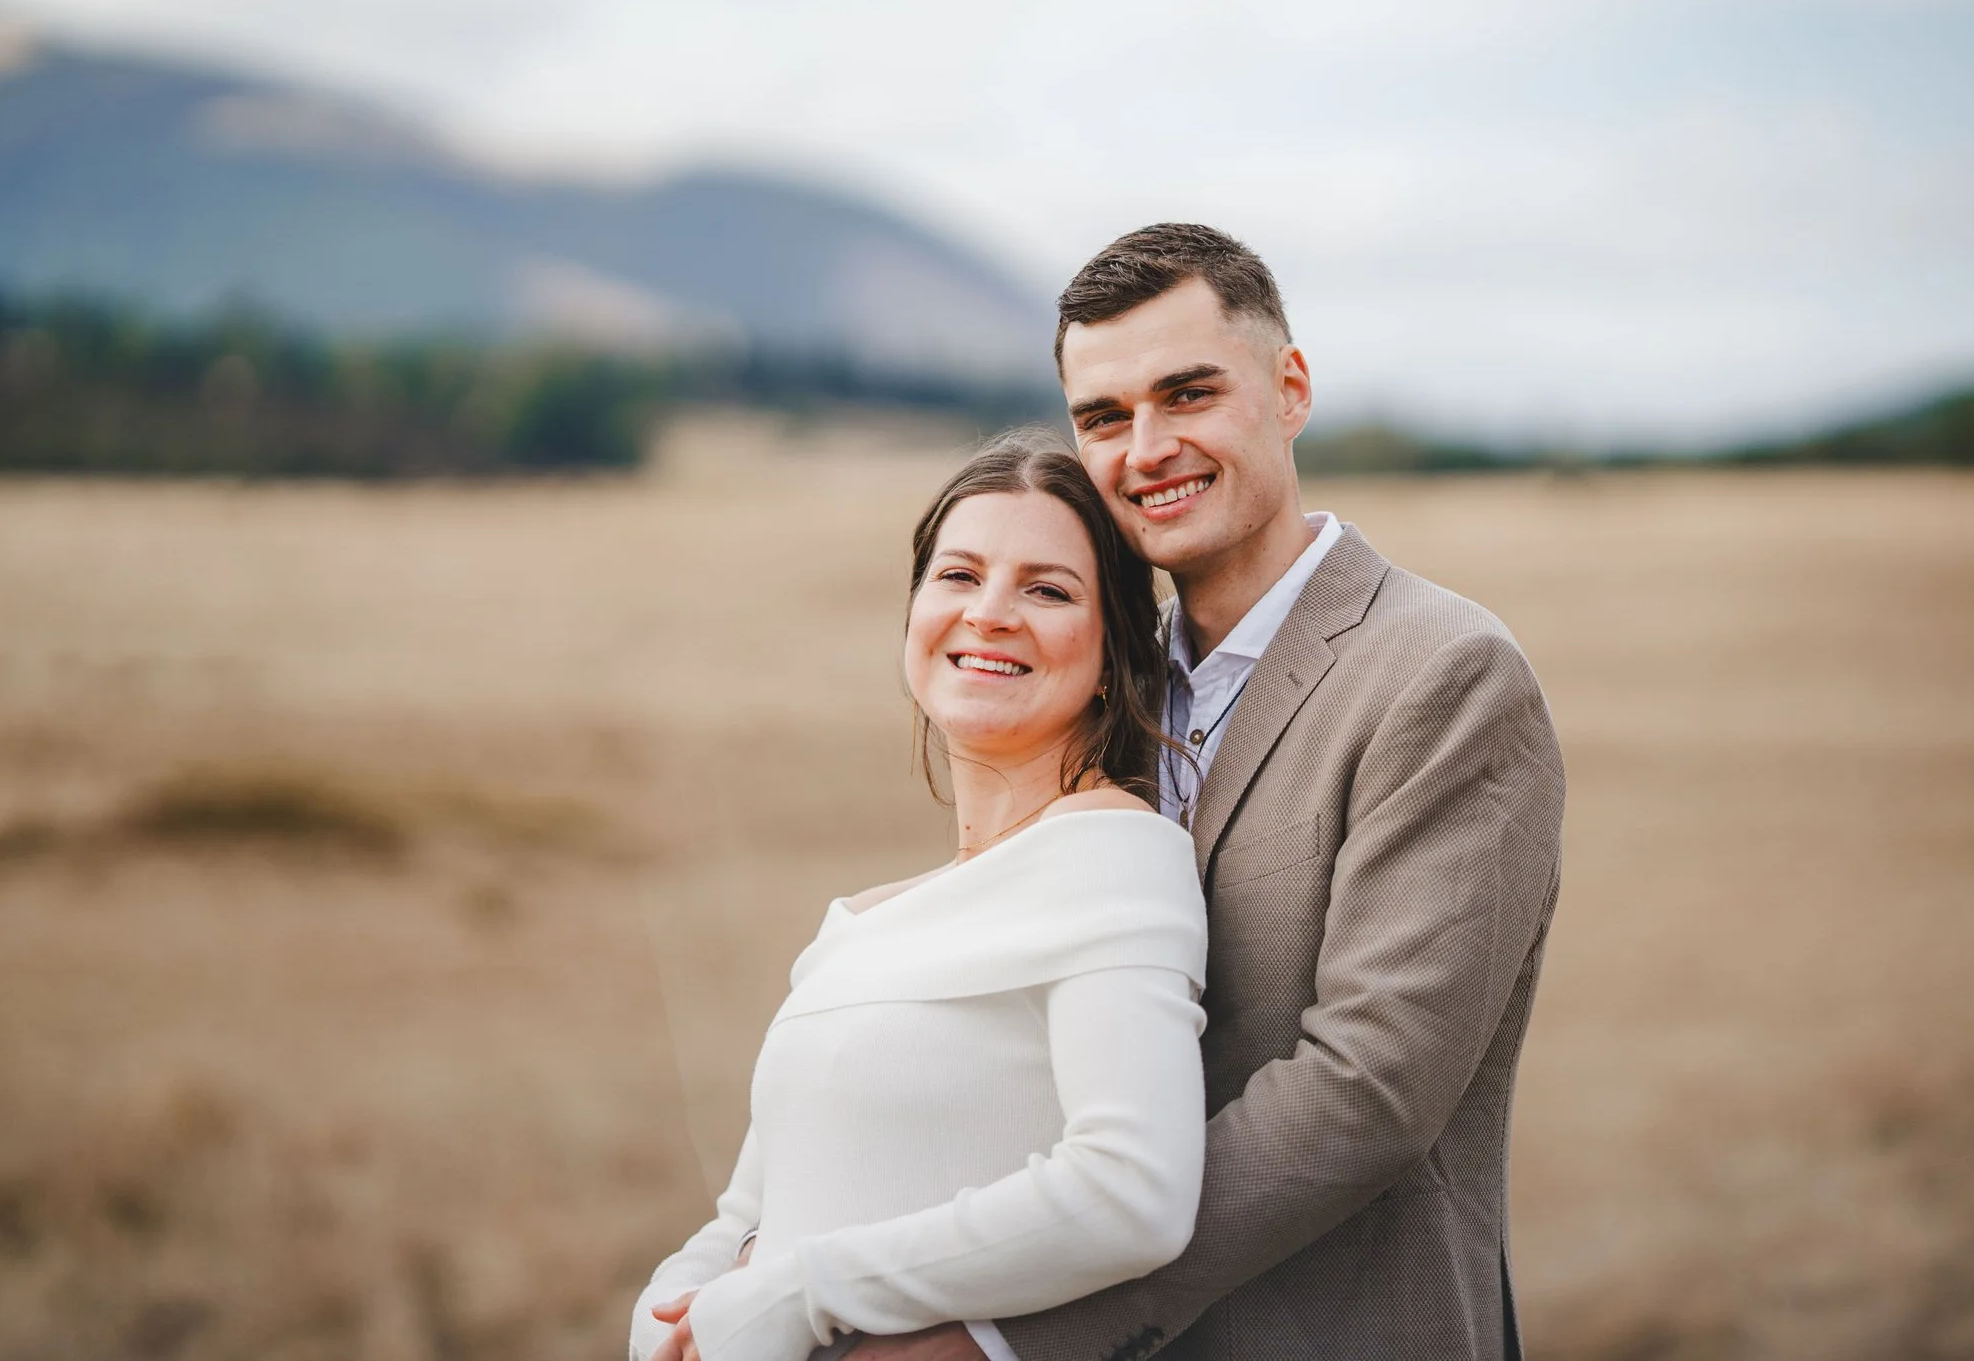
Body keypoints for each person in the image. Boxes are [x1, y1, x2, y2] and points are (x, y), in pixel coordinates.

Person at [859, 224, 1566, 1361]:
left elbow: (1369, 1088)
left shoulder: (1444, 674)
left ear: (1288, 388)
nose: (1146, 448)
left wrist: (1001, 1334)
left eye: (1187, 392)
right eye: (1102, 415)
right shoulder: (1103, 670)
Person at [629, 433, 1209, 1361]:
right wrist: (671, 1309)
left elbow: (1132, 1188)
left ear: (1112, 653)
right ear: (914, 614)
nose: (990, 613)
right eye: (959, 575)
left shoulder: (1116, 857)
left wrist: (807, 1290)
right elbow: (750, 1213)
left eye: (1047, 589)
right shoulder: (856, 925)